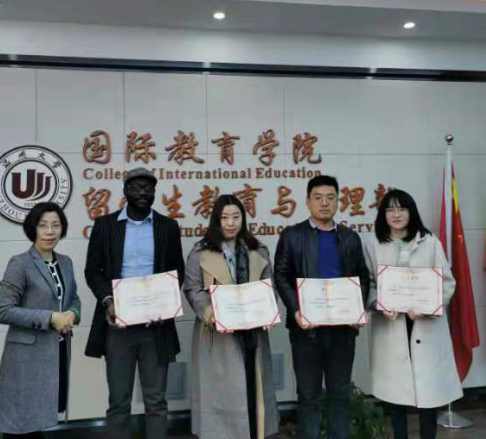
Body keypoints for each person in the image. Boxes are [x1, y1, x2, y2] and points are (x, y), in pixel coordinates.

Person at [84, 167, 184, 439]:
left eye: (148, 188)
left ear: (154, 193)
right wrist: (108, 300)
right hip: (119, 326)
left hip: (156, 327)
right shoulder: (105, 225)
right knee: (119, 400)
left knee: (156, 401)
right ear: (125, 191)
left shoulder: (167, 227)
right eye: (136, 187)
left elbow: (177, 271)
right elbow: (93, 270)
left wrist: (165, 305)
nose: (142, 192)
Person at [274, 175, 370, 439]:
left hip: (342, 330)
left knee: (340, 394)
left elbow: (362, 277)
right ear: (308, 202)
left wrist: (357, 309)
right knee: (308, 395)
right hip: (306, 330)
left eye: (330, 198)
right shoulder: (292, 236)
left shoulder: (350, 237)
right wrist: (296, 309)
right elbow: (280, 275)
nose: (324, 203)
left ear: (338, 202)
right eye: (318, 198)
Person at [364, 189, 462, 439]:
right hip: (391, 325)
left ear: (411, 212)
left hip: (425, 325)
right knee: (395, 395)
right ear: (383, 215)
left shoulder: (430, 242)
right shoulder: (373, 244)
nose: (396, 215)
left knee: (428, 395)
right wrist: (378, 304)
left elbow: (447, 282)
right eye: (390, 210)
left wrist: (429, 307)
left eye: (402, 209)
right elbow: (369, 284)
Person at [183, 195, 279, 439]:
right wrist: (208, 312)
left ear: (243, 219)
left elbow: (270, 286)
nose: (230, 223)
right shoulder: (200, 252)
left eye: (236, 217)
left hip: (253, 333)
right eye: (224, 217)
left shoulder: (258, 250)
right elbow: (192, 288)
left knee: (253, 389)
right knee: (223, 395)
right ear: (216, 220)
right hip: (218, 336)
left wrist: (268, 309)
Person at [0, 202, 81, 438]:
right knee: (21, 423)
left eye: (55, 225)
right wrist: (50, 318)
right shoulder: (20, 263)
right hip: (26, 357)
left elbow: (73, 298)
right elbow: (3, 310)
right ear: (33, 228)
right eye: (43, 226)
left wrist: (73, 313)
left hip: (57, 352)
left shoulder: (66, 262)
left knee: (42, 420)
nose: (50, 231)